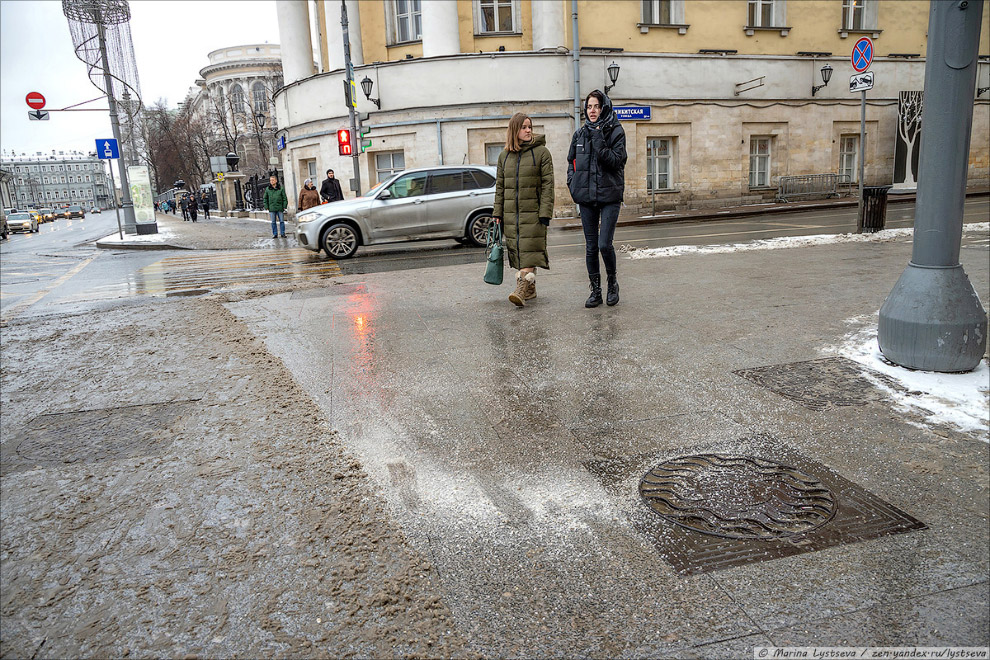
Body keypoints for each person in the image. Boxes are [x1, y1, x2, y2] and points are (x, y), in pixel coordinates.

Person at [567, 89, 627, 308]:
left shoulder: (616, 132)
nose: (592, 111)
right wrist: (573, 185)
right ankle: (596, 290)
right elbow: (571, 162)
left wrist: (599, 138)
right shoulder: (579, 134)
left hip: (610, 195)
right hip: (586, 197)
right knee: (591, 246)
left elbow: (615, 161)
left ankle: (612, 283)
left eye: (597, 106)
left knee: (604, 244)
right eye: (589, 107)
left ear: (604, 108)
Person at [493, 112, 554, 307]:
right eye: (524, 127)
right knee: (518, 253)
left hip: (534, 215)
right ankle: (531, 289)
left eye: (530, 127)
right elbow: (500, 188)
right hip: (511, 216)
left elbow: (548, 185)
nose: (528, 130)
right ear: (514, 130)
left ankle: (520, 289)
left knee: (529, 252)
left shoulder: (542, 153)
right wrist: (497, 213)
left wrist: (545, 213)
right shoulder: (504, 157)